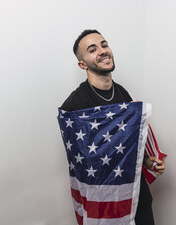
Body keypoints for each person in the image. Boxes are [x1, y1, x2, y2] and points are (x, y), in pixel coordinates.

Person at [60, 29, 165, 224]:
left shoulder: (126, 96)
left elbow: (129, 146)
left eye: (104, 45)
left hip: (137, 199)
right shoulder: (74, 108)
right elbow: (84, 166)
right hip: (105, 208)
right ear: (82, 64)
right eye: (92, 49)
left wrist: (147, 161)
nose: (102, 51)